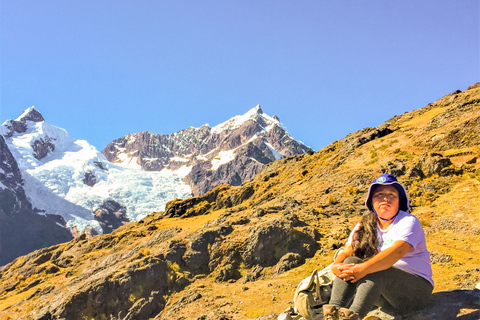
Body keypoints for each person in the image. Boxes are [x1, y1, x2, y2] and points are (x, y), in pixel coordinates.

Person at [322, 174, 433, 320]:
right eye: (379, 194)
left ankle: (352, 316)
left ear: (399, 201)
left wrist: (363, 268)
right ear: (372, 202)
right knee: (350, 262)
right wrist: (336, 265)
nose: (385, 199)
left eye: (391, 195)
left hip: (415, 291)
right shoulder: (364, 225)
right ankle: (332, 312)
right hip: (383, 294)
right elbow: (349, 250)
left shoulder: (408, 221)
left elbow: (396, 252)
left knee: (376, 268)